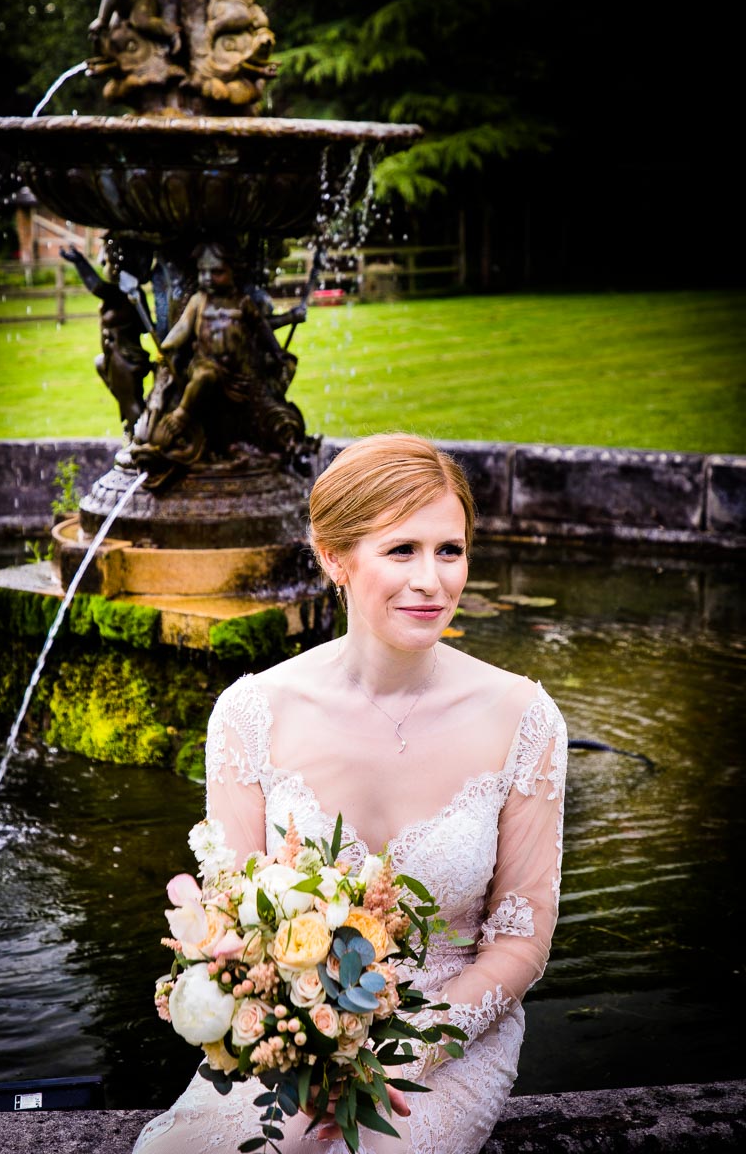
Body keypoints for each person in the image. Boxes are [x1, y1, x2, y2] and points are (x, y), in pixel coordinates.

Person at [133, 432, 568, 1154]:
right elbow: (231, 928)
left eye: (450, 550)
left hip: (449, 1033)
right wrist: (303, 1045)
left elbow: (521, 939)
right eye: (401, 550)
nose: (432, 581)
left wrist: (403, 1053)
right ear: (334, 556)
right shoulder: (250, 715)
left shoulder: (523, 719)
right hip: (293, 1036)